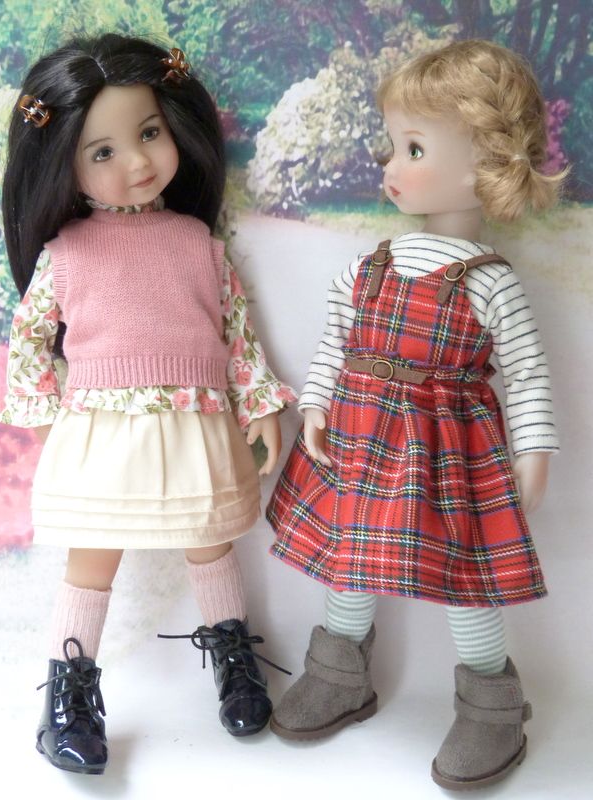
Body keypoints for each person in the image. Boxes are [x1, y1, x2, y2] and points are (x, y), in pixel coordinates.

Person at [266, 38, 566, 790]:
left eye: (414, 148)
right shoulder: (365, 267)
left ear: (483, 164)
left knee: (467, 577)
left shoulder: (488, 283)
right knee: (350, 557)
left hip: (449, 453)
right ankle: (339, 672)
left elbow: (528, 374)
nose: (390, 166)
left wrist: (533, 456)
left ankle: (491, 706)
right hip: (361, 441)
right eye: (393, 146)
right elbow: (335, 345)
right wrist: (315, 405)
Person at [0, 33, 295, 775]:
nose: (135, 162)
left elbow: (235, 332)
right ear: (61, 164)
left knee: (210, 541)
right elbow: (29, 336)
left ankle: (234, 660)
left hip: (194, 424)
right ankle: (68, 694)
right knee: (91, 560)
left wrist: (259, 401)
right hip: (103, 431)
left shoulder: (198, 243)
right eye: (102, 151)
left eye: (150, 133)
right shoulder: (66, 252)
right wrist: (42, 413)